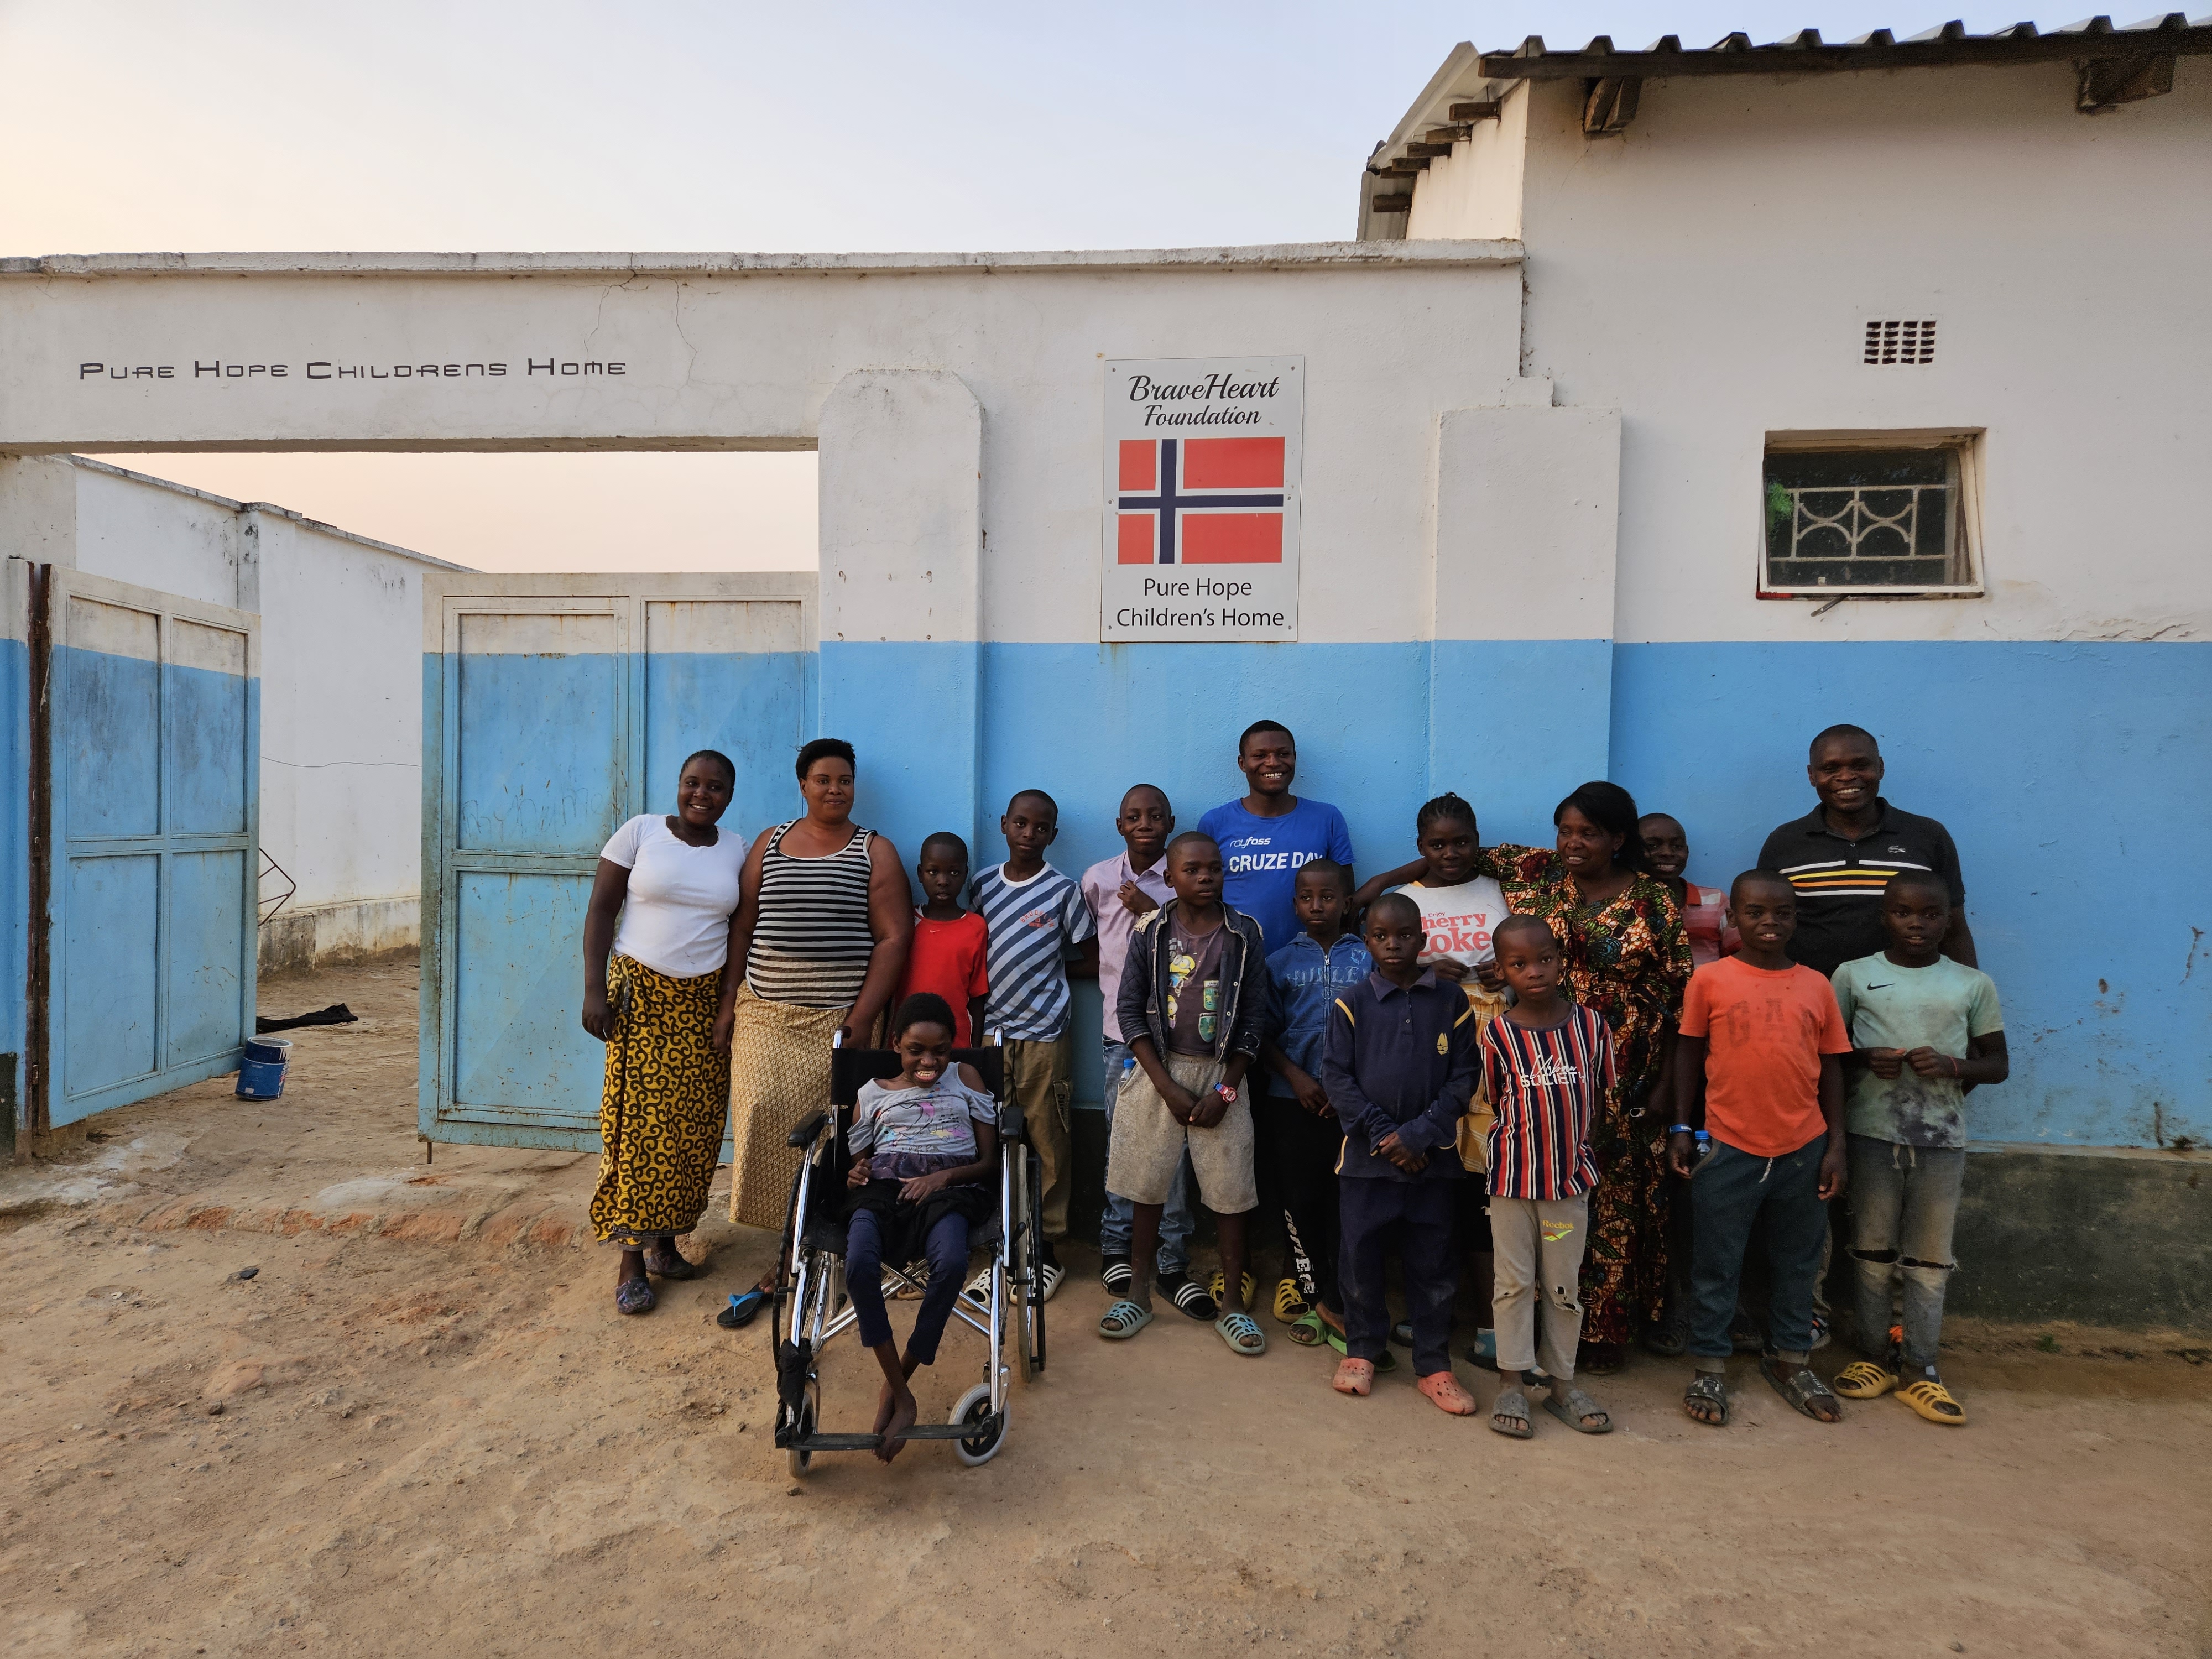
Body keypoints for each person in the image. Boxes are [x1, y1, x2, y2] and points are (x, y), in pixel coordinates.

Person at [1467, 781, 1693, 1374]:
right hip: (1550, 1070)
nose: (1572, 842)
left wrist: (1669, 1086)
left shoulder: (1653, 902)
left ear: (1619, 839)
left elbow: (1680, 1002)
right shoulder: (1539, 874)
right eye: (1565, 829)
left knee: (1613, 1201)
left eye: (1588, 832)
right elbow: (1459, 851)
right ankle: (1535, 1332)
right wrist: (1371, 884)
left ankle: (1603, 1330)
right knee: (1550, 1193)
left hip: (1628, 1076)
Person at [720, 739, 914, 1320]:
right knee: (764, 1120)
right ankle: (788, 1246)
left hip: (837, 1020)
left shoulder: (873, 851)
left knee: (832, 1139)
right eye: (823, 779)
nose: (835, 789)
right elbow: (744, 922)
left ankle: (808, 1253)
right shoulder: (770, 843)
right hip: (766, 1014)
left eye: (845, 780)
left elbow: (894, 938)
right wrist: (730, 999)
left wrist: (860, 1019)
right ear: (802, 785)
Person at [1667, 871, 1852, 1427]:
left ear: (1796, 919)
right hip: (1727, 1145)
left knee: (1797, 1262)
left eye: (1782, 914)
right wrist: (1681, 1126)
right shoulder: (1711, 981)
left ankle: (1791, 1360)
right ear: (1734, 919)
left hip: (1803, 1146)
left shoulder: (1817, 985)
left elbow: (1834, 1067)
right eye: (1755, 912)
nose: (1769, 923)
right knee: (1715, 1262)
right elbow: (1688, 1055)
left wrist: (1836, 1143)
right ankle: (1709, 1365)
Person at [1830, 873, 2007, 1426]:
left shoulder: (1971, 983)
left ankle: (1922, 1367)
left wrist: (1952, 1067)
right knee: (1870, 1248)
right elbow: (1829, 1053)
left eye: (1930, 914)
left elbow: (1996, 1064)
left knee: (1929, 1257)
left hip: (1939, 1140)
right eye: (1904, 913)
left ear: (1946, 920)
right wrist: (1866, 1059)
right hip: (1869, 1133)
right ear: (1885, 916)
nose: (1917, 924)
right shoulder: (1853, 976)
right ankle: (1872, 1356)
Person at [580, 750, 748, 1316]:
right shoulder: (640, 832)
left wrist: (728, 1004)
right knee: (636, 1124)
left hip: (701, 1003)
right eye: (692, 783)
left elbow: (739, 929)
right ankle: (630, 1257)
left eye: (716, 787)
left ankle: (667, 1242)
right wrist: (593, 990)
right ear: (678, 785)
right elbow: (602, 910)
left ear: (729, 794)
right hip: (640, 994)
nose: (702, 794)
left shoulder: (736, 848)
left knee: (693, 1127)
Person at [1351, 791, 1511, 1366]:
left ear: (1477, 839)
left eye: (1461, 842)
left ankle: (1494, 1322)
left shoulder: (1501, 890)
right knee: (1428, 1188)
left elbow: (1534, 952)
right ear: (1420, 847)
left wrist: (1507, 968)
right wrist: (1421, 967)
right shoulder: (1404, 900)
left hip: (1496, 1056)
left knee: (1487, 1192)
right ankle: (1424, 1313)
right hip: (1424, 1055)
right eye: (1436, 845)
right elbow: (1371, 935)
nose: (1450, 853)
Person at [1100, 832, 1269, 1355]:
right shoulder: (1150, 931)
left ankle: (1233, 1307)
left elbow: (1255, 1018)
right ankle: (1139, 1293)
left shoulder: (1244, 934)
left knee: (1230, 1190)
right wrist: (1165, 1084)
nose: (1205, 878)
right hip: (1159, 1073)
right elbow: (1130, 1011)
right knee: (1147, 1183)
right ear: (1169, 878)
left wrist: (1226, 1089)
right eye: (1192, 870)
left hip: (1221, 1075)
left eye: (1214, 869)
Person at [1321, 893, 1481, 1413]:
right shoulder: (1351, 1003)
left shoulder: (1451, 1001)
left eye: (1405, 935)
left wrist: (1420, 1135)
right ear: (1366, 941)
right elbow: (1338, 1079)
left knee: (1434, 1263)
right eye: (1382, 936)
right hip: (1367, 1163)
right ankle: (1362, 1350)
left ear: (1423, 939)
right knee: (1360, 1256)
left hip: (1433, 1162)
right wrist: (1386, 1136)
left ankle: (1434, 1364)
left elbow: (1463, 1077)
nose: (1394, 945)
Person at [842, 993, 1000, 1462]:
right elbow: (858, 1164)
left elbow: (989, 1161)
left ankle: (900, 1382)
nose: (929, 1061)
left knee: (951, 1263)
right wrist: (855, 1173)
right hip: (885, 1190)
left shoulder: (965, 1078)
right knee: (858, 1266)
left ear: (953, 1048)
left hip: (951, 1189)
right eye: (916, 1050)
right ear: (897, 1045)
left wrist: (941, 1177)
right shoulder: (871, 1094)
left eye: (940, 1050)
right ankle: (902, 1395)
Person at [1481, 915, 1616, 1437]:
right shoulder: (1497, 1034)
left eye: (1544, 960)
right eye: (1519, 964)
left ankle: (1562, 1383)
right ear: (1502, 971)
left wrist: (1571, 1152)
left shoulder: (1591, 1026)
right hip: (1513, 1187)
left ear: (1562, 962)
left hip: (1565, 1193)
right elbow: (1496, 1101)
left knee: (1563, 1284)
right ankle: (1511, 1383)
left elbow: (1598, 1101)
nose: (1534, 972)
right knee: (1513, 1284)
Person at [1080, 785, 1208, 1317]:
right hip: (1121, 1034)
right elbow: (1090, 947)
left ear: (1171, 821)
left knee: (1176, 1149)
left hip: (1179, 1040)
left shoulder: (1185, 879)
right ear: (1119, 825)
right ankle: (1117, 1245)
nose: (1145, 824)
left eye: (1156, 816)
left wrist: (1153, 909)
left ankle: (1171, 1256)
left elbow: (1195, 945)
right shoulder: (1098, 879)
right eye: (1134, 816)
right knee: (1123, 1139)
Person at [971, 789, 1097, 1302]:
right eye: (1020, 824)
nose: (1029, 834)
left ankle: (1045, 1247)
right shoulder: (981, 885)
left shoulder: (1064, 892)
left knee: (1047, 1135)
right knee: (990, 1136)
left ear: (1053, 835)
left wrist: (1047, 977)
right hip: (990, 1034)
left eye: (1040, 828)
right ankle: (998, 1244)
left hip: (1046, 1034)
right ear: (1004, 825)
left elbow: (1089, 956)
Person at [1756, 724, 1975, 979]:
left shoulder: (1928, 836)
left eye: (1860, 765)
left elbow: (1955, 929)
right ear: (1812, 775)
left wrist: (1970, 1000)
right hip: (1811, 1000)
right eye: (1830, 769)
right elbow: (1764, 932)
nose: (1847, 777)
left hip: (1907, 1005)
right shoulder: (1784, 842)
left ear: (1880, 767)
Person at [1258, 858, 1371, 1349]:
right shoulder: (1279, 963)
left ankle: (1341, 1299)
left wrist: (1352, 1089)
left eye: (1329, 897)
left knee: (1348, 1203)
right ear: (1295, 904)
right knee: (1299, 1198)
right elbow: (1260, 1034)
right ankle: (1311, 1293)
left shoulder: (1369, 959)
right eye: (1307, 897)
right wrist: (1297, 1078)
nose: (1317, 906)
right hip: (1292, 1101)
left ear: (1348, 902)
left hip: (1355, 1107)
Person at [1197, 720, 1356, 957]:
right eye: (1260, 755)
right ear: (1242, 763)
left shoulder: (1327, 818)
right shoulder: (1214, 823)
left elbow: (1347, 899)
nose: (1273, 762)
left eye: (1283, 754)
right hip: (1240, 963)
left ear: (1294, 758)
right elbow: (1205, 902)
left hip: (1311, 967)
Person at [897, 832, 989, 1046]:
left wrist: (975, 1051)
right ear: (920, 874)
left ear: (965, 874)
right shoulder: (905, 922)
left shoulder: (975, 927)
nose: (943, 881)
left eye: (954, 872)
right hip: (907, 1043)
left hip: (956, 1045)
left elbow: (977, 998)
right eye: (933, 872)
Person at [1638, 812, 1738, 969]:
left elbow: (1737, 956)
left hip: (1708, 992)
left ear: (1688, 851)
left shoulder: (1716, 900)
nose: (1668, 853)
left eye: (1677, 846)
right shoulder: (1624, 905)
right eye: (1653, 846)